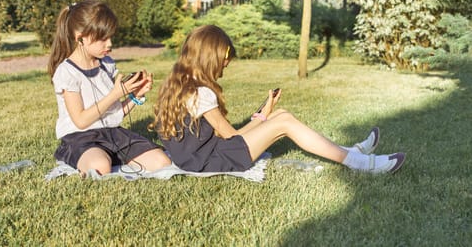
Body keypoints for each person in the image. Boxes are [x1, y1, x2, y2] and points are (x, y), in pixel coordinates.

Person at [151, 25, 405, 174]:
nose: (225, 66)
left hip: (202, 156)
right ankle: (360, 162)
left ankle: (348, 152)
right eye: (224, 61)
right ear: (211, 57)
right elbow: (232, 137)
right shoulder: (201, 92)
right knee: (284, 122)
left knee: (281, 115)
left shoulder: (180, 85)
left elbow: (226, 135)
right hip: (211, 161)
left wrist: (263, 115)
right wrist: (264, 120)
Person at [48, 0, 171, 176]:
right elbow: (81, 121)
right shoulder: (67, 72)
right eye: (102, 39)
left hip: (112, 133)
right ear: (80, 38)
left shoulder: (106, 64)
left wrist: (135, 95)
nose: (110, 44)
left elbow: (114, 113)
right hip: (80, 137)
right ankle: (90, 156)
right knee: (100, 167)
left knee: (162, 162)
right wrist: (115, 94)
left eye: (110, 37)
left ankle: (109, 155)